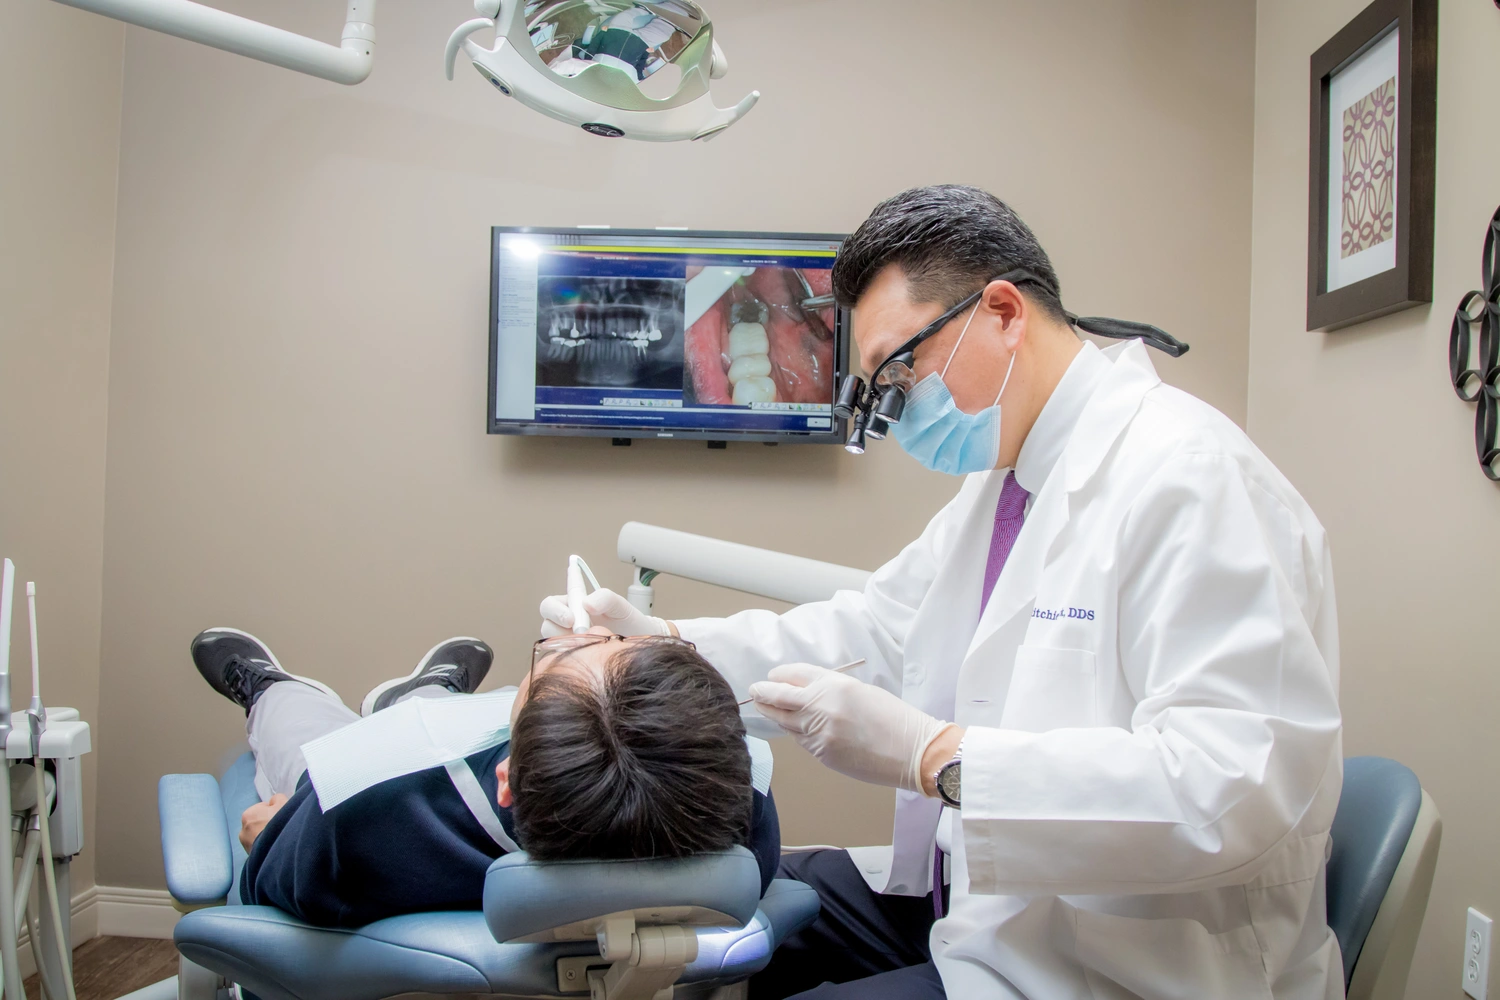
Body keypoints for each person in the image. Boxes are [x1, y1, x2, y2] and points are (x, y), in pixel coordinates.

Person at [541, 185, 1343, 999]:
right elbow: (879, 630)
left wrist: (939, 762)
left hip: (1123, 964)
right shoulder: (1009, 479)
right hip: (989, 906)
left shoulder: (1191, 476)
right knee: (741, 898)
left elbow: (1233, 788)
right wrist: (663, 650)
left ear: (1002, 312)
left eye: (903, 368)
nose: (897, 410)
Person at [191, 625, 780, 928]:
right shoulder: (744, 810)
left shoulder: (357, 812)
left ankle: (271, 688)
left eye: (556, 659)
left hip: (370, 774)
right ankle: (425, 690)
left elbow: (268, 881)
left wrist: (269, 836)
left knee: (299, 735)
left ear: (507, 780)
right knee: (433, 707)